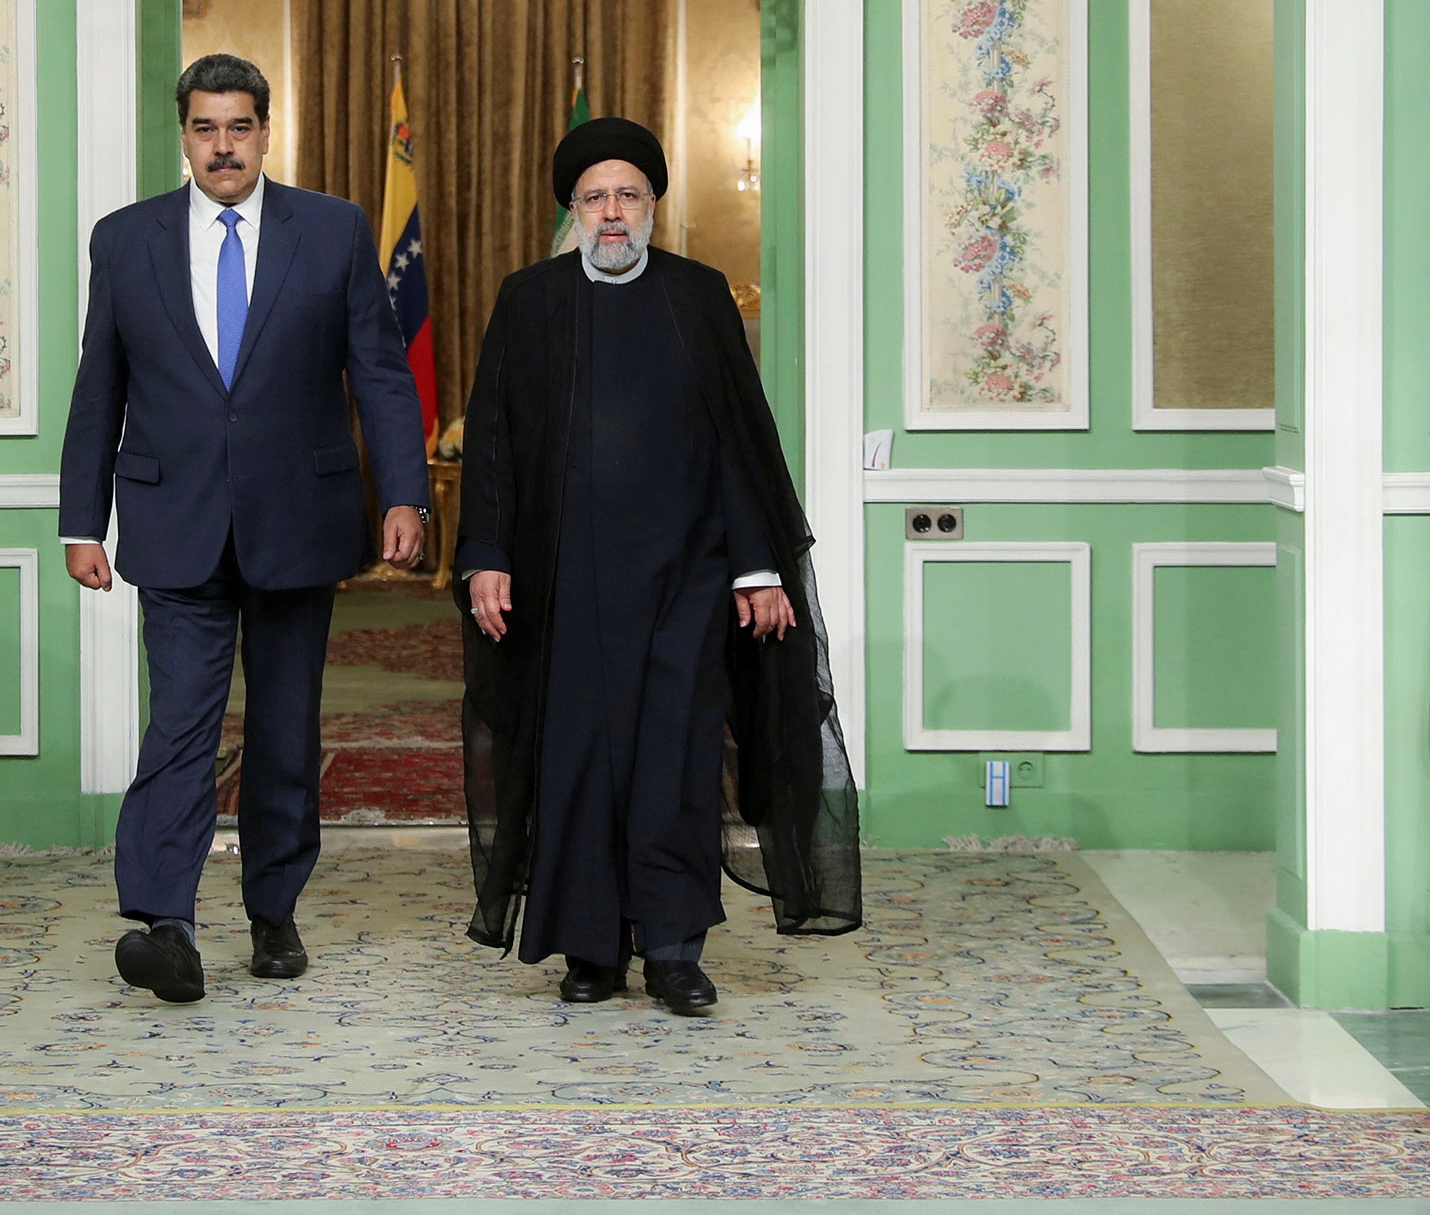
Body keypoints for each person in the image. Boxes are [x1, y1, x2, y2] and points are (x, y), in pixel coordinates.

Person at [453, 117, 861, 1014]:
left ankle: (674, 948)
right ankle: (592, 948)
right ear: (572, 208)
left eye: (628, 195)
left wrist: (757, 567)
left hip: (685, 577)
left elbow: (742, 441)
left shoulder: (700, 295)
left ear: (653, 207)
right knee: (580, 760)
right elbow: (493, 442)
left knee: (675, 762)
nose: (611, 213)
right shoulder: (530, 299)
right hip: (564, 583)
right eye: (595, 197)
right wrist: (485, 557)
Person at [61, 53, 431, 1003]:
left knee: (281, 730)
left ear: (266, 131)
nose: (222, 146)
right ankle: (164, 920)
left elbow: (381, 372)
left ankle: (274, 913)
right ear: (182, 135)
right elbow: (99, 386)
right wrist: (79, 519)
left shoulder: (337, 229)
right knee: (180, 723)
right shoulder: (125, 239)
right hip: (171, 517)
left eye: (239, 127)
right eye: (203, 128)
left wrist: (405, 493)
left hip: (298, 520)